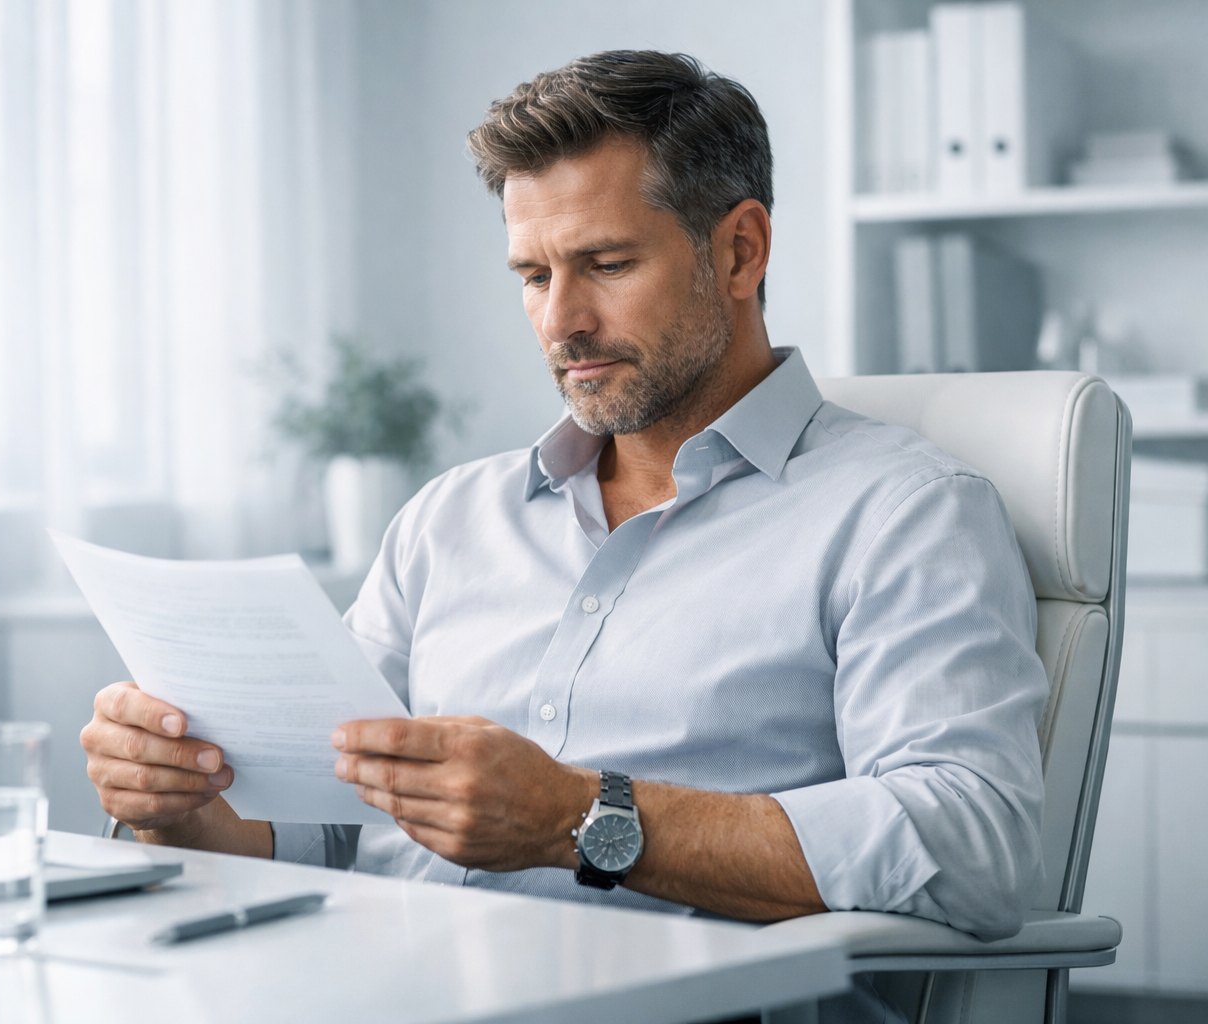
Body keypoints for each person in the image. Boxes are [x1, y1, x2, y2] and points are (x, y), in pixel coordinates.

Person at [80, 50, 1048, 1020]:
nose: (561, 321)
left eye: (608, 264)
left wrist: (579, 819)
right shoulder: (447, 520)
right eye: (533, 275)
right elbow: (336, 823)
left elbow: (973, 845)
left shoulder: (904, 511)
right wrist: (189, 806)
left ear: (741, 251)